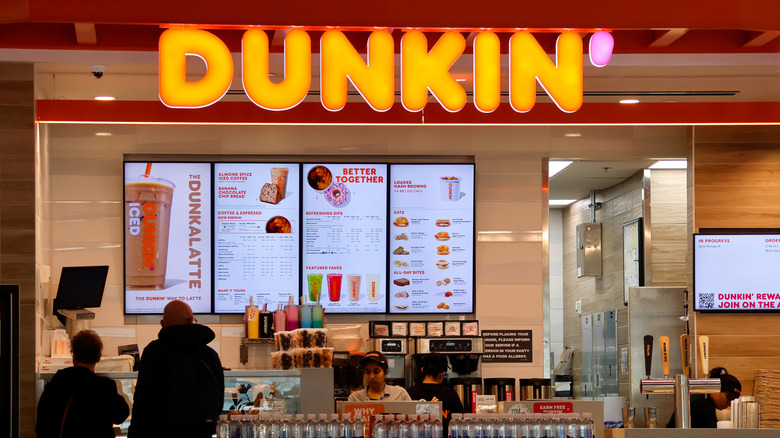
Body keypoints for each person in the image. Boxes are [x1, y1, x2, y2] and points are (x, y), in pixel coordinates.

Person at [128, 300, 224, 438]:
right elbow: (219, 399)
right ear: (192, 320)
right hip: (201, 432)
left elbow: (144, 399)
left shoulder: (155, 352)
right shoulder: (209, 355)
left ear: (162, 324)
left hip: (162, 432)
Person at [36, 329, 130, 438]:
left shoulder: (57, 382)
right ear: (99, 357)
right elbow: (121, 415)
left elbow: (41, 425)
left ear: (74, 357)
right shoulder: (104, 387)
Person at [407, 354, 465, 436]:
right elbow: (460, 424)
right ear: (442, 373)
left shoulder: (409, 393)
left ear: (422, 370)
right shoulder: (451, 395)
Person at [666, 367, 742, 428]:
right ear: (716, 391)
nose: (729, 404)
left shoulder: (703, 398)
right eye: (729, 398)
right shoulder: (703, 405)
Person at [348, 351, 412, 401]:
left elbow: (413, 415)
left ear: (386, 373)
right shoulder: (355, 398)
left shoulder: (400, 394)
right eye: (367, 372)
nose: (371, 376)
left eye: (376, 372)